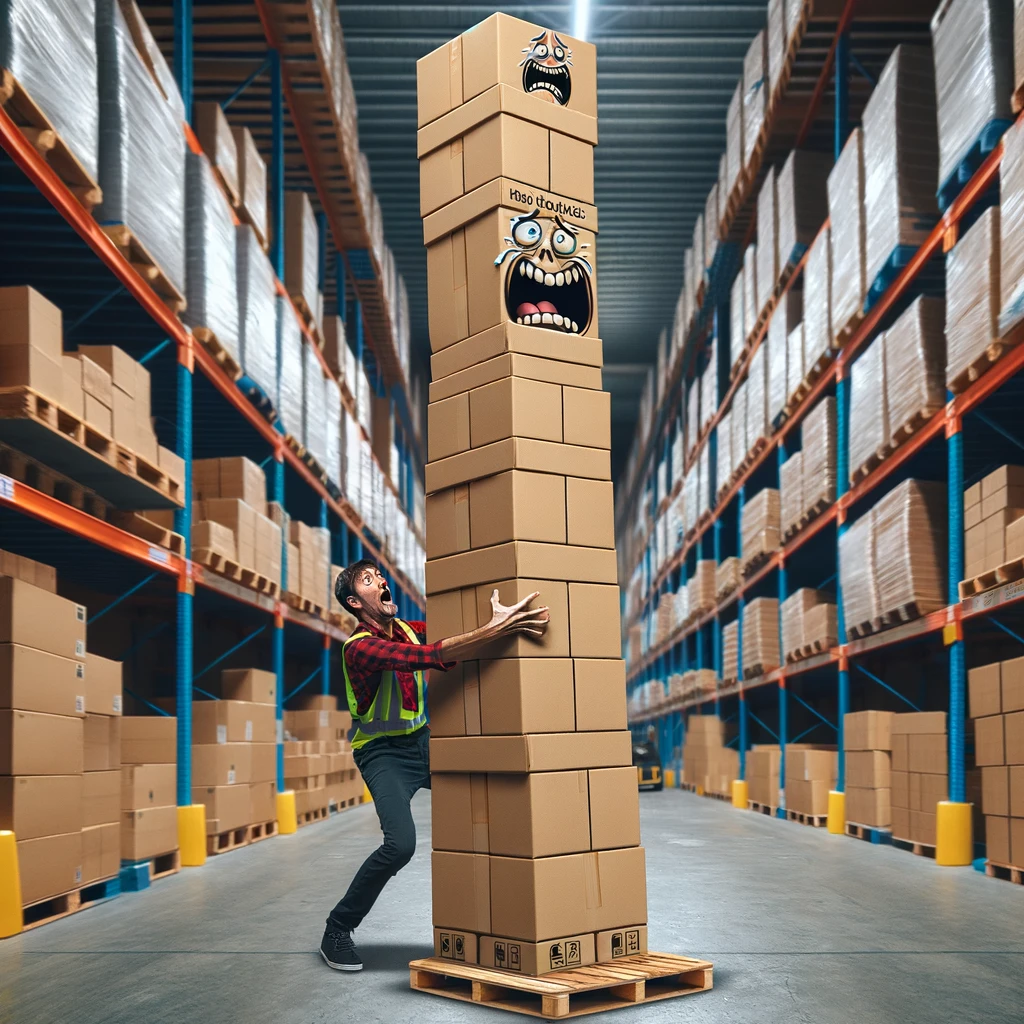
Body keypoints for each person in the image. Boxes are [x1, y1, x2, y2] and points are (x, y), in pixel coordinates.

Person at [320, 558, 550, 971]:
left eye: (380, 576)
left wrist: (499, 619)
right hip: (382, 754)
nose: (382, 583)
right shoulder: (360, 648)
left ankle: (499, 920)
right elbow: (429, 655)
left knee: (490, 795)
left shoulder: (407, 628)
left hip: (422, 743)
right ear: (355, 602)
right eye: (369, 581)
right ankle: (338, 927)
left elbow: (455, 637)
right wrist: (496, 629)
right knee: (400, 846)